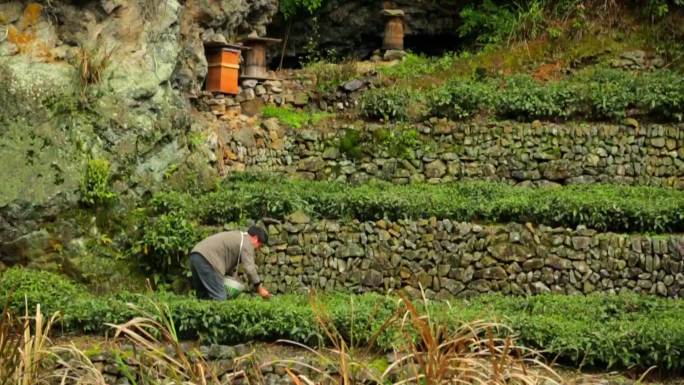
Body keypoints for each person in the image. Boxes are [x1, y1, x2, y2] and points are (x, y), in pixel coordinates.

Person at [189, 226, 271, 300]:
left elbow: (227, 257)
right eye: (259, 245)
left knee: (203, 297)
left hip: (195, 255)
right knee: (219, 298)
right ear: (255, 238)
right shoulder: (247, 243)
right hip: (208, 259)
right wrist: (259, 288)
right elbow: (250, 269)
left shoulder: (238, 236)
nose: (257, 249)